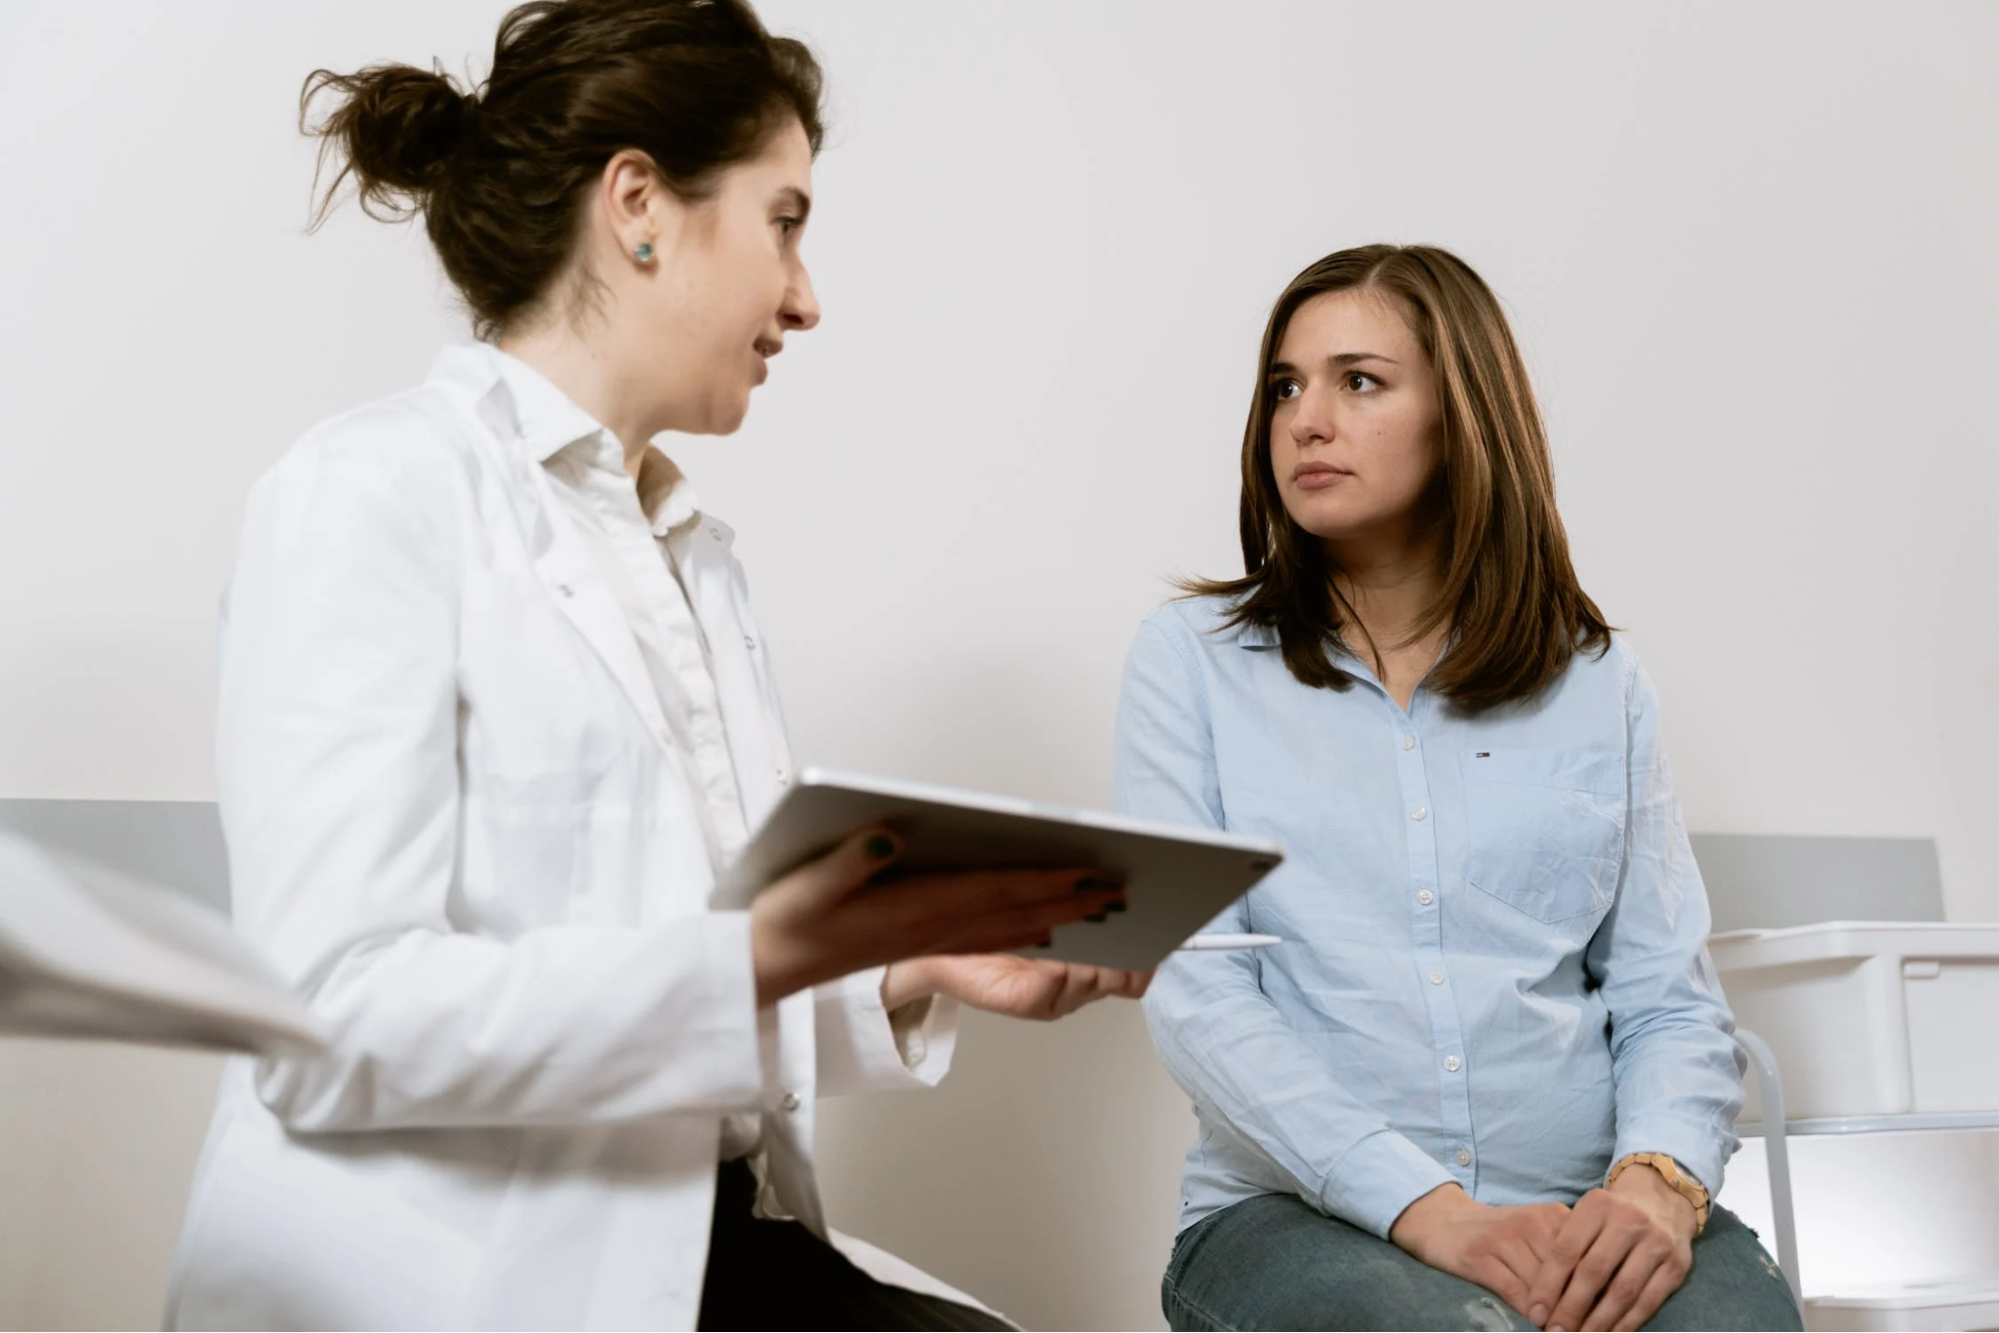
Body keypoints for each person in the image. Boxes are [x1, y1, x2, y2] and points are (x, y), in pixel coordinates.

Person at [165, 3, 1145, 1329]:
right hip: (453, 1277)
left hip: (693, 1247)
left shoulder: (687, 550)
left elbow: (678, 985)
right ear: (639, 204)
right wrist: (758, 951)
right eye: (782, 220)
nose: (805, 295)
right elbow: (332, 1018)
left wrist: (914, 962)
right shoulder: (368, 493)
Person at [1116, 244, 1801, 1333]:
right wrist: (1429, 1212)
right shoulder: (1190, 661)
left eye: (1359, 381)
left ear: (1464, 415)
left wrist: (1658, 1185)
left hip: (1586, 1201)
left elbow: (1666, 996)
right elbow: (1195, 993)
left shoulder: (1598, 682)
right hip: (1294, 1217)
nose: (1304, 418)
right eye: (1285, 386)